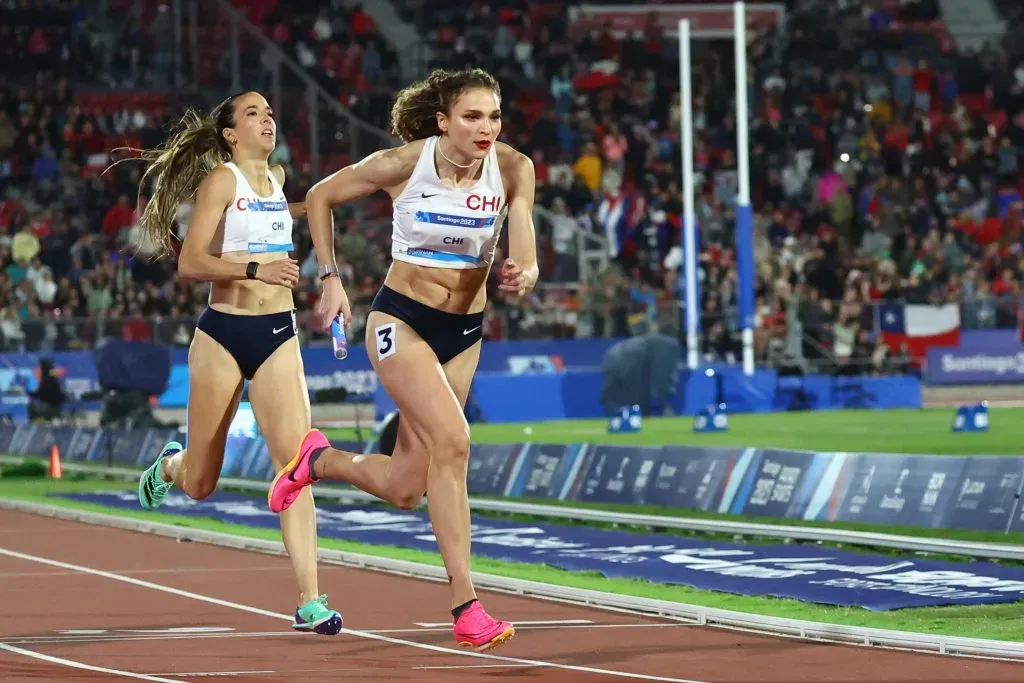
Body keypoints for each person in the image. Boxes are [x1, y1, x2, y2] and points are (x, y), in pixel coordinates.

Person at [267, 68, 538, 651]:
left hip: (464, 330)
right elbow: (319, 197)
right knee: (455, 442)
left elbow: (525, 236)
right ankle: (466, 605)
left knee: (405, 488)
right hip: (401, 323)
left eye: (493, 117)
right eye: (471, 117)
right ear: (443, 121)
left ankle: (318, 463)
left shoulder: (514, 168)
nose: (485, 128)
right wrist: (331, 280)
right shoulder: (405, 164)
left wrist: (527, 268)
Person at [128, 91, 343, 636]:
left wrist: (321, 206)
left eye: (271, 112)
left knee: (296, 467)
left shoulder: (278, 178)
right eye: (253, 113)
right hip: (223, 333)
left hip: (278, 333)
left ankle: (310, 600)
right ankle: (172, 465)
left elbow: (284, 215)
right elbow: (192, 261)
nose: (267, 119)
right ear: (229, 133)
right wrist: (255, 270)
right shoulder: (222, 182)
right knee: (201, 483)